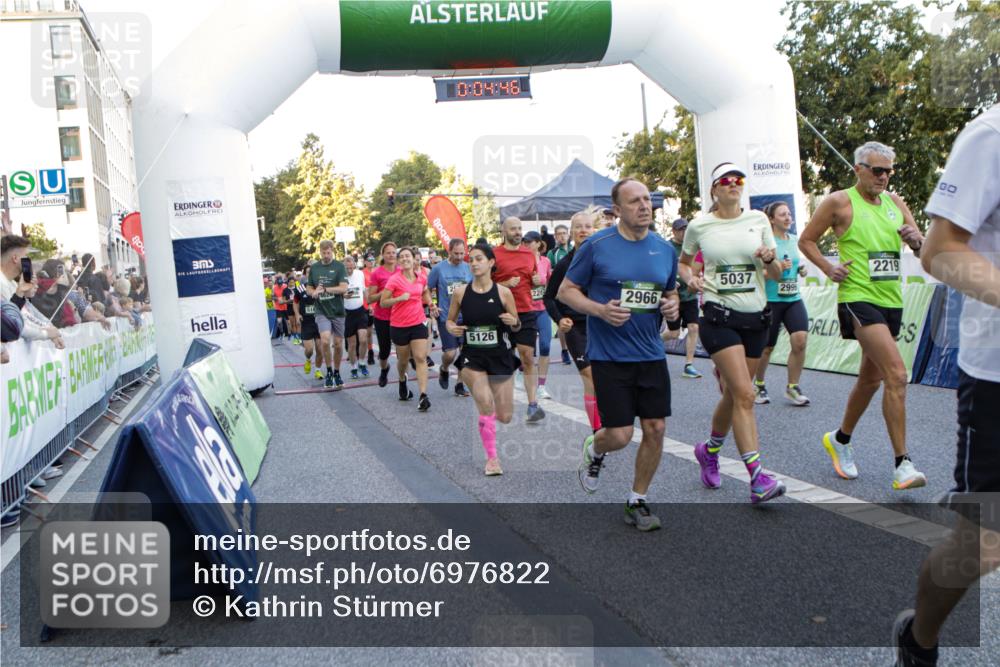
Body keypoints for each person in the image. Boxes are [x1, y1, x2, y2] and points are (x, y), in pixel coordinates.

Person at [891, 104, 1000, 667]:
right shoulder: (992, 132)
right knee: (983, 543)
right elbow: (939, 250)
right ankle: (919, 640)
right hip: (997, 373)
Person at [799, 141, 927, 489]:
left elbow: (922, 247)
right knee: (897, 375)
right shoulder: (839, 201)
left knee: (871, 379)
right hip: (858, 297)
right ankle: (903, 464)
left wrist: (916, 240)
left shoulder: (895, 202)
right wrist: (828, 267)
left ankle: (839, 439)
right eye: (877, 170)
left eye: (888, 171)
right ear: (858, 169)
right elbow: (806, 240)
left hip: (891, 299)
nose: (884, 177)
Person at [559, 178, 680, 531]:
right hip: (610, 354)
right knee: (620, 435)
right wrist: (599, 310)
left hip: (651, 353)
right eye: (634, 201)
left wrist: (672, 308)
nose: (644, 206)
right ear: (617, 211)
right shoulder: (597, 246)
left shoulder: (664, 249)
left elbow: (669, 294)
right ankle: (595, 450)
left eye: (646, 200)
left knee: (656, 428)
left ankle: (637, 500)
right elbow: (567, 292)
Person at [680, 162, 787, 504]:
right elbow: (684, 264)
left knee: (734, 394)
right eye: (726, 180)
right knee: (744, 394)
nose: (733, 184)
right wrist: (690, 279)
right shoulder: (700, 225)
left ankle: (709, 451)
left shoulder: (758, 221)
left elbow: (775, 275)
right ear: (714, 189)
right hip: (717, 317)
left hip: (756, 317)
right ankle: (757, 478)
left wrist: (770, 258)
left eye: (738, 180)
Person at [447, 243, 521, 475]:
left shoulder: (503, 292)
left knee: (506, 416)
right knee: (485, 401)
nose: (474, 263)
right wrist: (452, 328)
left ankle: (489, 424)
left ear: (491, 263)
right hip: (472, 356)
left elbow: (517, 323)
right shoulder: (460, 292)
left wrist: (513, 322)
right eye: (472, 259)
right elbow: (449, 321)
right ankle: (492, 460)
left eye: (479, 258)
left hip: (499, 354)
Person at [544, 207, 602, 433]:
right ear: (571, 232)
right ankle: (596, 431)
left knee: (604, 376)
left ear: (594, 230)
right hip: (576, 327)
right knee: (589, 374)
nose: (583, 231)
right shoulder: (564, 264)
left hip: (601, 323)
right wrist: (560, 319)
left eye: (587, 226)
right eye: (578, 227)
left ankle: (606, 419)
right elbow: (549, 298)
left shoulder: (602, 259)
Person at [753, 201, 811, 406]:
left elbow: (796, 265)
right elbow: (759, 274)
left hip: (793, 297)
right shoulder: (765, 244)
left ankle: (792, 387)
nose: (788, 218)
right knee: (767, 347)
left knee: (800, 339)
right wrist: (774, 270)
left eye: (789, 214)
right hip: (771, 300)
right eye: (782, 215)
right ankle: (759, 384)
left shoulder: (795, 240)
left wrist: (799, 270)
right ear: (771, 219)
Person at [494, 217, 545, 423]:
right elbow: (485, 284)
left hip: (525, 311)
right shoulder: (495, 254)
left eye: (519, 229)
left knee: (528, 356)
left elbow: (533, 283)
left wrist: (536, 282)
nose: (517, 232)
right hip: (501, 313)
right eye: (513, 229)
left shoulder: (529, 254)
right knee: (504, 359)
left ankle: (533, 405)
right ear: (504, 231)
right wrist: (505, 283)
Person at [379, 247, 433, 411]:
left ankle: (423, 395)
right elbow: (383, 302)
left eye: (407, 256)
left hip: (418, 322)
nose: (404, 259)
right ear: (398, 261)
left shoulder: (421, 277)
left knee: (420, 358)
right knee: (403, 361)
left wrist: (431, 304)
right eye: (401, 257)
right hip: (399, 325)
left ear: (414, 259)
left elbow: (425, 292)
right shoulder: (394, 280)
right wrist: (399, 298)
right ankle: (402, 379)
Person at [0, 235, 63, 349]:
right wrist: (46, 333)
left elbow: (29, 314)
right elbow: (13, 324)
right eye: (26, 256)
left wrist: (51, 330)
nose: (29, 261)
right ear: (15, 258)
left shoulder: (14, 284)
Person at [427, 238, 472, 397]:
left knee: (466, 352)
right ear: (449, 251)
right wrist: (432, 305)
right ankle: (444, 368)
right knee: (450, 354)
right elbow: (427, 288)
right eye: (456, 253)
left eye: (462, 253)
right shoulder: (439, 269)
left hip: (466, 317)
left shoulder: (468, 268)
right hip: (447, 317)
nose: (460, 257)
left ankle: (460, 384)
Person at [662, 218, 704, 379]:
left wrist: (698, 278)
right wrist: (670, 282)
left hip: (690, 294)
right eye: (680, 229)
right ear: (673, 231)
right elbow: (661, 268)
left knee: (694, 327)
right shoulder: (667, 247)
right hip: (673, 295)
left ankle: (689, 365)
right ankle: (656, 343)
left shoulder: (694, 247)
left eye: (686, 229)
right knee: (673, 333)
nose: (684, 232)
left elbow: (698, 267)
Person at [306, 240, 349, 389]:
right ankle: (329, 371)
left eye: (328, 252)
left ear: (332, 251)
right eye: (323, 253)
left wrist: (326, 290)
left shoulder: (339, 266)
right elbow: (309, 288)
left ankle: (337, 372)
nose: (326, 255)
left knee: (337, 344)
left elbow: (344, 288)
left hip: (337, 310)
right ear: (320, 252)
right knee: (325, 340)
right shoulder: (315, 268)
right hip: (321, 310)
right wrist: (314, 293)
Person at [522, 231, 553, 400]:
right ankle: (523, 371)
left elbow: (549, 282)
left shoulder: (546, 261)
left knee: (546, 346)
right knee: (527, 351)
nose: (526, 244)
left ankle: (541, 386)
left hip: (542, 309)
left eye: (529, 242)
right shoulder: (521, 262)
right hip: (526, 310)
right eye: (524, 242)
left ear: (538, 243)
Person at [369, 242, 399, 388]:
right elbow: (370, 298)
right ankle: (384, 369)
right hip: (382, 317)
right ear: (383, 255)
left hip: (400, 317)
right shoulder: (377, 273)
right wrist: (385, 292)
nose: (391, 255)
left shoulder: (402, 271)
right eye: (388, 253)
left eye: (393, 252)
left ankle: (402, 381)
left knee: (402, 351)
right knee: (384, 351)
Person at [292, 269, 323, 380]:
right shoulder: (300, 288)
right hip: (306, 322)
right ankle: (308, 360)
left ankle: (318, 371)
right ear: (306, 274)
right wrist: (297, 315)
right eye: (309, 272)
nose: (311, 274)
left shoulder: (321, 287)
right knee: (309, 350)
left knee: (320, 349)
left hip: (319, 321)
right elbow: (295, 303)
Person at [342, 255, 370, 379]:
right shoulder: (340, 277)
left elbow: (364, 289)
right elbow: (337, 293)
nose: (349, 269)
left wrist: (369, 304)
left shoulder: (359, 274)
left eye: (350, 265)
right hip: (347, 313)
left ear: (354, 264)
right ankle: (353, 367)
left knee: (363, 339)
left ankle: (362, 362)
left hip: (360, 310)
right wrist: (344, 295)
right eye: (346, 267)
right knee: (352, 344)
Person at [362, 254, 377, 366]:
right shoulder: (362, 274)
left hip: (380, 305)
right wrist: (370, 304)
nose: (372, 262)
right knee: (369, 331)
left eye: (373, 260)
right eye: (369, 260)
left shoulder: (377, 272)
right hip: (367, 305)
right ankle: (370, 351)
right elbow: (363, 291)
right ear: (365, 262)